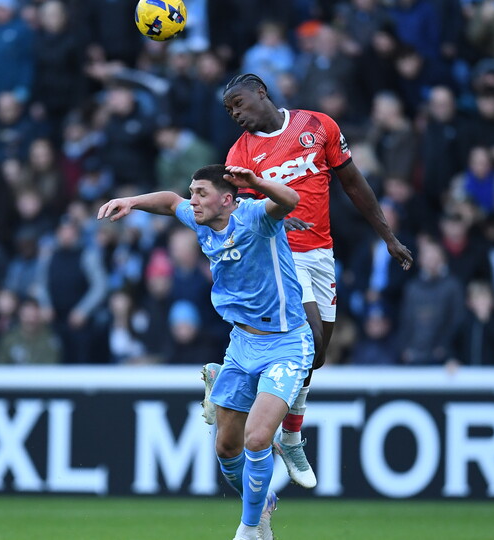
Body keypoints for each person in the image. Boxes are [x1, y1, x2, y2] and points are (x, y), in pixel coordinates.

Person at [211, 73, 413, 489]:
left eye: (238, 103)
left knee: (316, 357)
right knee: (311, 340)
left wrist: (388, 237)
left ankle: (234, 381)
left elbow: (354, 183)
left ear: (261, 92)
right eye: (229, 110)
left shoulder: (318, 126)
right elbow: (240, 218)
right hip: (279, 260)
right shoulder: (240, 154)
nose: (235, 114)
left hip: (321, 254)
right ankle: (291, 436)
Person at [98, 164, 312, 540]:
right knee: (227, 450)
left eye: (201, 193)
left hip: (285, 343)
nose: (192, 201)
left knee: (257, 438)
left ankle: (248, 529)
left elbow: (290, 200)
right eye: (192, 192)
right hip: (242, 344)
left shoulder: (255, 217)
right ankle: (262, 504)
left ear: (227, 199)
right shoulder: (200, 219)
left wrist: (257, 183)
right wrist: (131, 201)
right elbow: (168, 202)